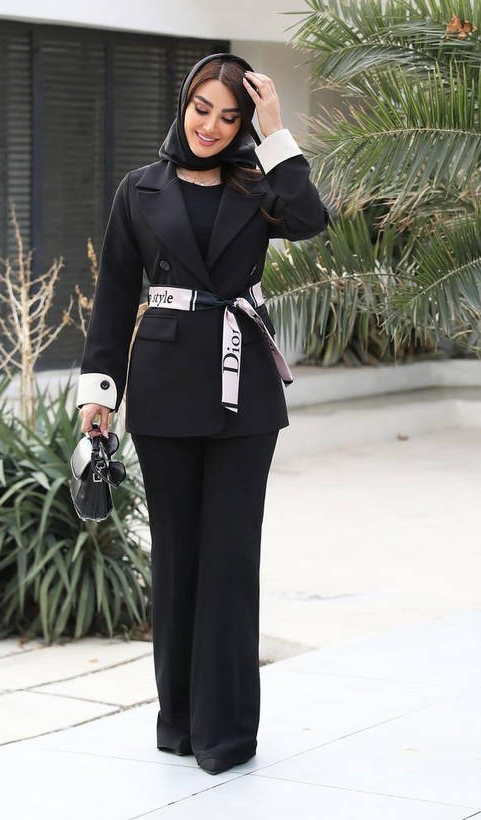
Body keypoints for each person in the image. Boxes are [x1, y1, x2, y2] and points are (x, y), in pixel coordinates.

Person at [77, 52, 333, 775]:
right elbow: (114, 293)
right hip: (162, 392)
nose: (212, 126)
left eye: (230, 116)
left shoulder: (259, 184)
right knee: (177, 559)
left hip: (244, 393)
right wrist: (100, 394)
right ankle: (180, 722)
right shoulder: (139, 189)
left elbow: (311, 219)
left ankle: (227, 732)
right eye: (202, 109)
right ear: (183, 104)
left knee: (230, 559)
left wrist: (276, 133)